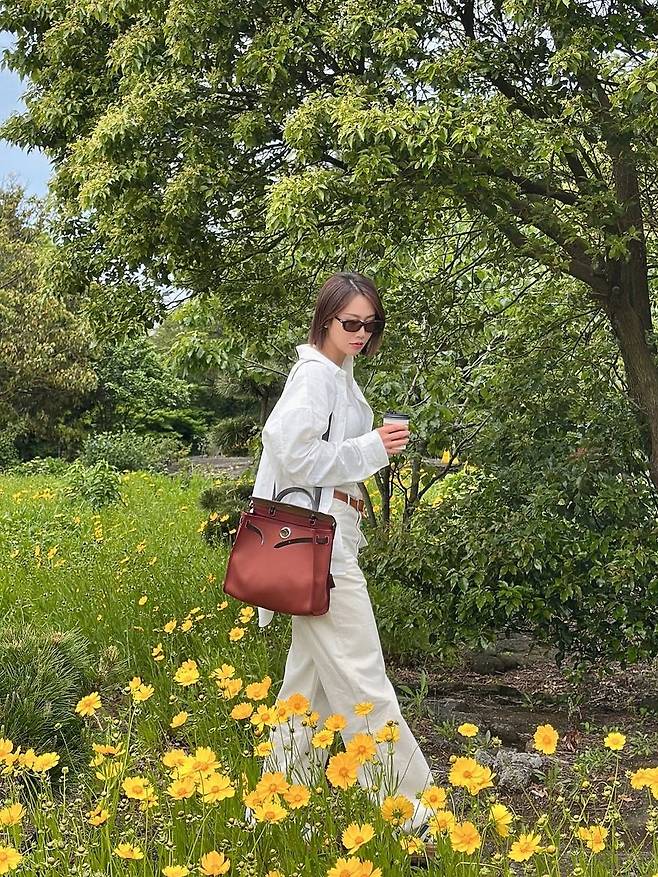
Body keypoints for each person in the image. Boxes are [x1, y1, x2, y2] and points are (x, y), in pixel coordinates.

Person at [248, 271, 437, 840]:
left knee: (305, 690)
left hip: (328, 539)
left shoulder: (338, 376)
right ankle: (411, 812)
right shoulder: (316, 376)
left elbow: (328, 456)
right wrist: (371, 446)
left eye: (370, 324)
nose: (361, 333)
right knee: (362, 674)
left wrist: (370, 448)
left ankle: (273, 810)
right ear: (326, 319)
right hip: (318, 549)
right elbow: (291, 450)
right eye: (350, 322)